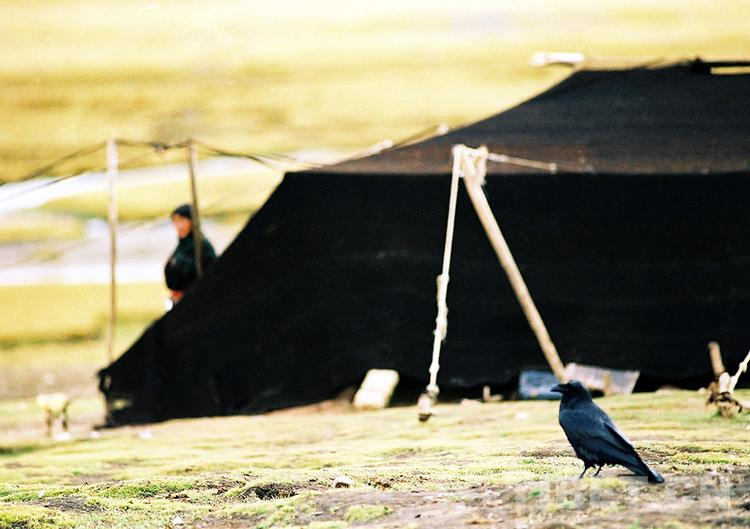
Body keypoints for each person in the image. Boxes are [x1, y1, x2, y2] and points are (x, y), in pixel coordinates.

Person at [164, 204, 217, 308]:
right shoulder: (182, 245)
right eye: (175, 221)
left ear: (192, 222)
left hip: (193, 300)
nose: (178, 225)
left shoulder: (200, 246)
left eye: (182, 220)